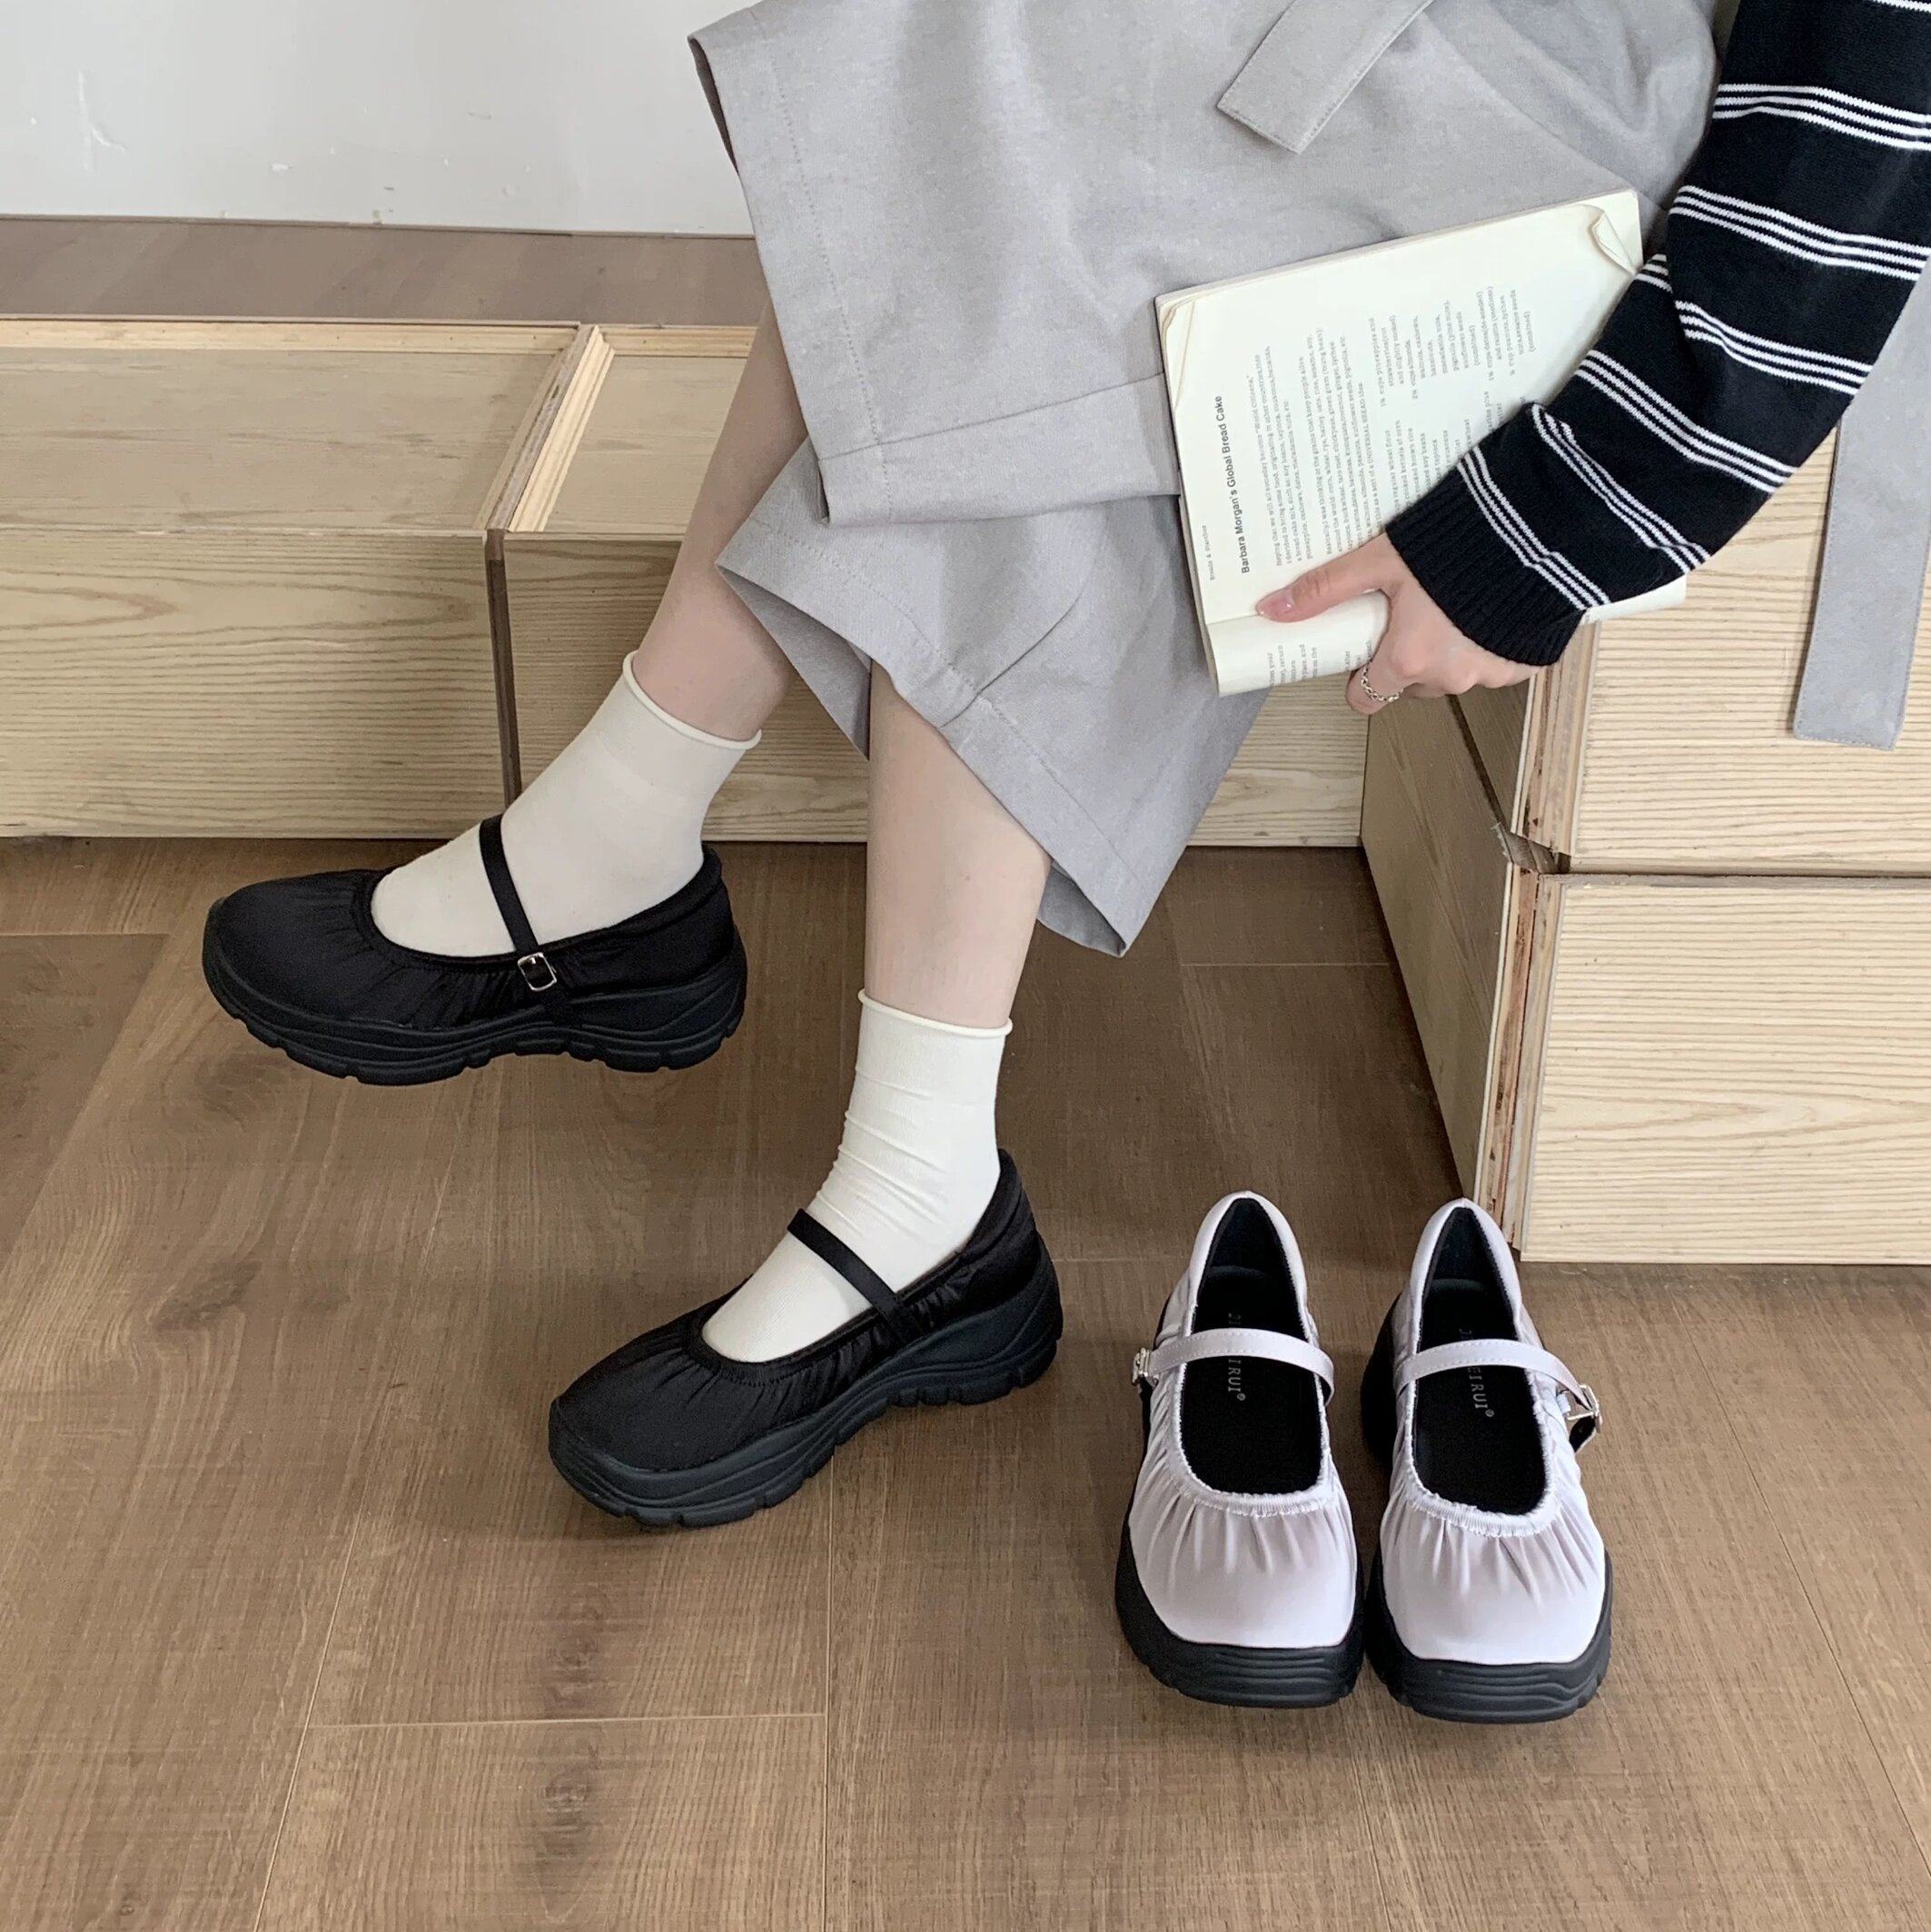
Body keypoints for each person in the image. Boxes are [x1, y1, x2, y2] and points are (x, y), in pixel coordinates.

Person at [203, 0, 1931, 1524]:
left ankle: (715, 956)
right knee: (992, 97)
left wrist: (1564, 514)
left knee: (1048, 224)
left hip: (1664, 142)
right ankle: (731, 970)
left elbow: (1867, 108)